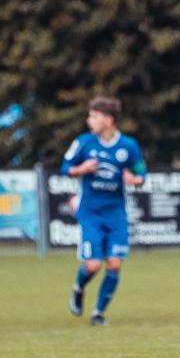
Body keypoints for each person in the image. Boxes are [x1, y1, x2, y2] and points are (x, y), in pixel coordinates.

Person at [61, 97, 146, 325]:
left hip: (116, 213)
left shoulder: (128, 146)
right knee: (93, 265)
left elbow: (141, 174)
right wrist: (81, 169)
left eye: (94, 116)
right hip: (90, 212)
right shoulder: (83, 143)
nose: (89, 121)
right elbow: (65, 167)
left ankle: (98, 313)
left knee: (115, 263)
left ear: (108, 120)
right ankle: (79, 287)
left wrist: (134, 179)